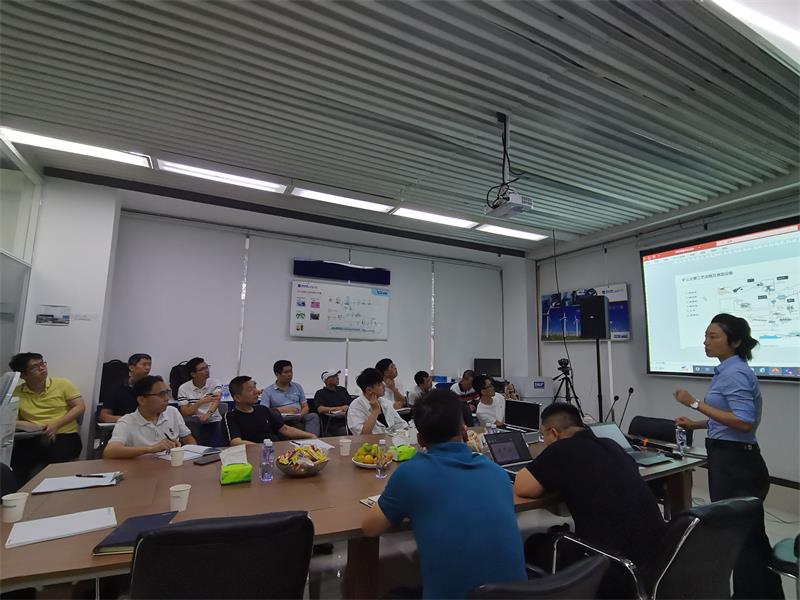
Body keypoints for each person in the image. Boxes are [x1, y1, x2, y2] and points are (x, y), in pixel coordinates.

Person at [361, 388, 526, 598]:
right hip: (518, 594)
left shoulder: (411, 474)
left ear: (420, 440)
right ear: (464, 431)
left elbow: (370, 528)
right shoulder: (497, 473)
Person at [673, 313, 783, 599]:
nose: (705, 342)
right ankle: (764, 594)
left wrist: (694, 403)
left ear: (734, 342)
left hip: (737, 465)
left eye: (713, 337)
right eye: (705, 336)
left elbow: (744, 422)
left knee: (741, 537)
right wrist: (697, 424)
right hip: (731, 460)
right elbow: (728, 419)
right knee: (747, 536)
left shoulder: (735, 373)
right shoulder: (727, 370)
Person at [514, 402, 665, 592]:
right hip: (660, 560)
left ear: (553, 432)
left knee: (533, 544)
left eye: (543, 435)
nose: (544, 441)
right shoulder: (612, 445)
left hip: (613, 565)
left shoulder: (560, 450)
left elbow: (522, 486)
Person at [9, 353, 85, 484]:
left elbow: (79, 407)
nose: (42, 368)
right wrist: (38, 428)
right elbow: (10, 421)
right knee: (17, 467)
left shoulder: (63, 384)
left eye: (42, 363)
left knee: (55, 466)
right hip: (31, 437)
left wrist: (55, 425)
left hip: (63, 434)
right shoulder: (16, 392)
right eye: (35, 367)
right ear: (23, 375)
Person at [103, 376, 196, 459]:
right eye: (161, 394)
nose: (167, 398)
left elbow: (188, 439)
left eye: (167, 392)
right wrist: (151, 449)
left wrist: (192, 454)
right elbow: (109, 452)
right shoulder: (127, 422)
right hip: (143, 469)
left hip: (172, 466)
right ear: (141, 400)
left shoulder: (172, 412)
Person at [224, 376, 314, 445]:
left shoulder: (262, 409)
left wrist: (310, 435)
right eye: (250, 390)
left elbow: (285, 429)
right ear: (237, 397)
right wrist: (264, 448)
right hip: (256, 454)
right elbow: (236, 442)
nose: (256, 391)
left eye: (255, 387)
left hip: (277, 449)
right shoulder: (231, 416)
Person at [262, 360, 320, 436]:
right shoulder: (268, 391)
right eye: (286, 372)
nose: (290, 374)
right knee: (292, 426)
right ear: (277, 374)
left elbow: (305, 406)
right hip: (281, 419)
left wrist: (300, 415)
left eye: (291, 371)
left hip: (298, 417)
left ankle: (312, 441)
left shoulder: (297, 386)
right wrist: (282, 410)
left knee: (313, 416)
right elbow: (264, 411)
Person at [176, 357, 223, 447]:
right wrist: (200, 402)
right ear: (193, 374)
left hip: (213, 420)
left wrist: (208, 414)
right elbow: (185, 412)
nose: (207, 371)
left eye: (207, 367)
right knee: (194, 445)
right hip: (194, 422)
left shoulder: (214, 382)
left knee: (216, 446)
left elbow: (216, 400)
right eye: (202, 369)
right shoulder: (183, 388)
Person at [347, 368, 408, 435]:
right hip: (369, 442)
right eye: (379, 384)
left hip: (391, 440)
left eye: (382, 382)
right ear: (369, 390)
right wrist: (375, 411)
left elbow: (402, 425)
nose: (384, 385)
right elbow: (363, 435)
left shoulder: (385, 402)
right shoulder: (355, 407)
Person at [99, 353, 152, 423]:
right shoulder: (116, 388)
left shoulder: (152, 388)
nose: (148, 368)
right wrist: (129, 419)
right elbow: (104, 417)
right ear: (131, 368)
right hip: (122, 426)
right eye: (144, 364)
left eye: (149, 365)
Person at [313, 369, 351, 436]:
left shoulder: (342, 390)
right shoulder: (320, 393)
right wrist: (340, 408)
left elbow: (351, 403)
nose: (337, 378)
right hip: (332, 424)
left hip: (348, 420)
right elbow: (320, 409)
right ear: (326, 380)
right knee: (345, 431)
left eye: (337, 376)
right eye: (334, 376)